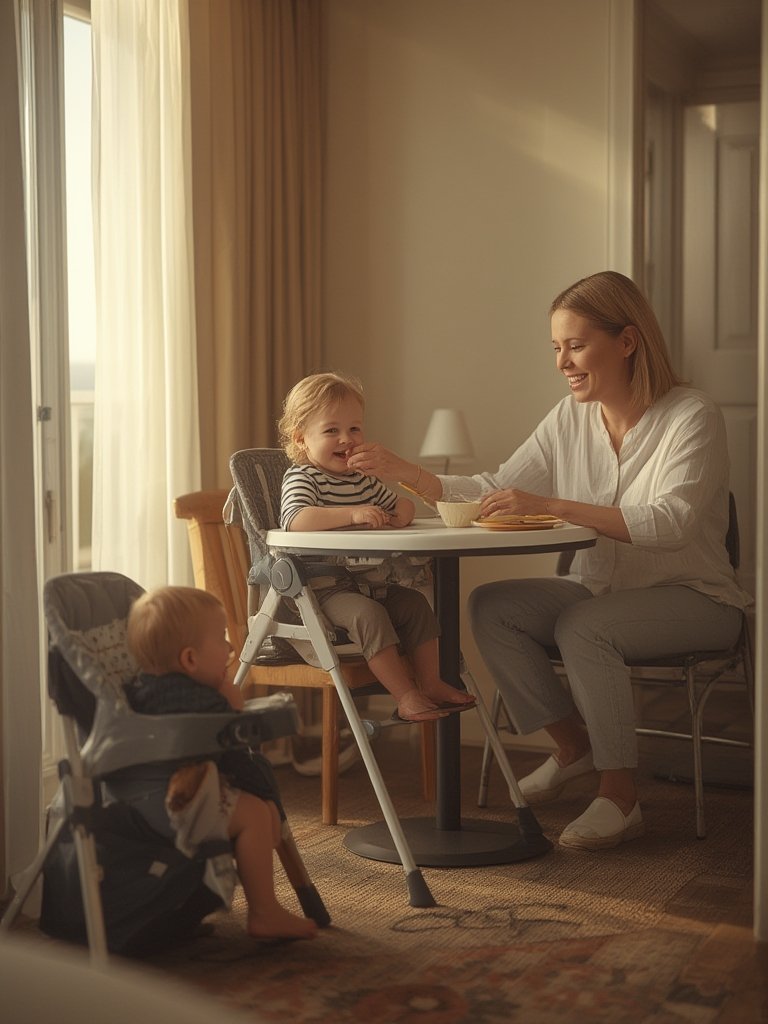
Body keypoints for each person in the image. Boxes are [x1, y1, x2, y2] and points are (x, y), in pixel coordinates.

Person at [345, 270, 751, 851]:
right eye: (556, 348)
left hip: (698, 599)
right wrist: (404, 473)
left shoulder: (692, 416)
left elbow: (671, 521)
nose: (562, 361)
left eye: (576, 345)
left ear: (628, 341)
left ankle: (620, 796)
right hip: (602, 591)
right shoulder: (569, 417)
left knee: (585, 626)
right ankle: (575, 747)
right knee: (493, 605)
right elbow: (494, 487)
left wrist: (551, 503)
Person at [277, 371, 476, 723]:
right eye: (331, 430)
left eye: (354, 428)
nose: (346, 439)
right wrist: (352, 515)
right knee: (369, 616)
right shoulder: (302, 476)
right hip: (323, 589)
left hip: (370, 582)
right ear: (301, 439)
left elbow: (403, 505)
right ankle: (405, 696)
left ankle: (430, 682)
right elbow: (296, 520)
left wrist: (399, 513)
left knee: (415, 605)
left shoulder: (363, 479)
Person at [125, 585, 318, 940]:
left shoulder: (145, 690)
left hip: (149, 797)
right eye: (222, 639)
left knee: (257, 809)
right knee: (256, 817)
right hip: (177, 801)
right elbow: (230, 733)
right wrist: (230, 698)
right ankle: (264, 912)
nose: (230, 649)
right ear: (190, 660)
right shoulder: (199, 700)